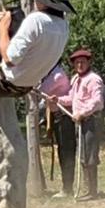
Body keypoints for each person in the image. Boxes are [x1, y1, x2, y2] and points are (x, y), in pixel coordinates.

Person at [62, 48, 104, 200]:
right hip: (79, 122)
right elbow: (71, 99)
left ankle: (92, 191)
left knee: (90, 156)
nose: (79, 65)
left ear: (88, 63)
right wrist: (57, 100)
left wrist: (83, 113)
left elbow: (97, 101)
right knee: (83, 155)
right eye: (77, 62)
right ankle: (87, 188)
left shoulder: (94, 79)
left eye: (82, 62)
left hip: (91, 121)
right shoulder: (75, 79)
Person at [41, 62, 75, 197]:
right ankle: (66, 186)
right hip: (57, 115)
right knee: (62, 151)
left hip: (64, 117)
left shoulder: (57, 75)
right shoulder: (50, 73)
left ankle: (68, 188)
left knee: (66, 153)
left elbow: (42, 90)